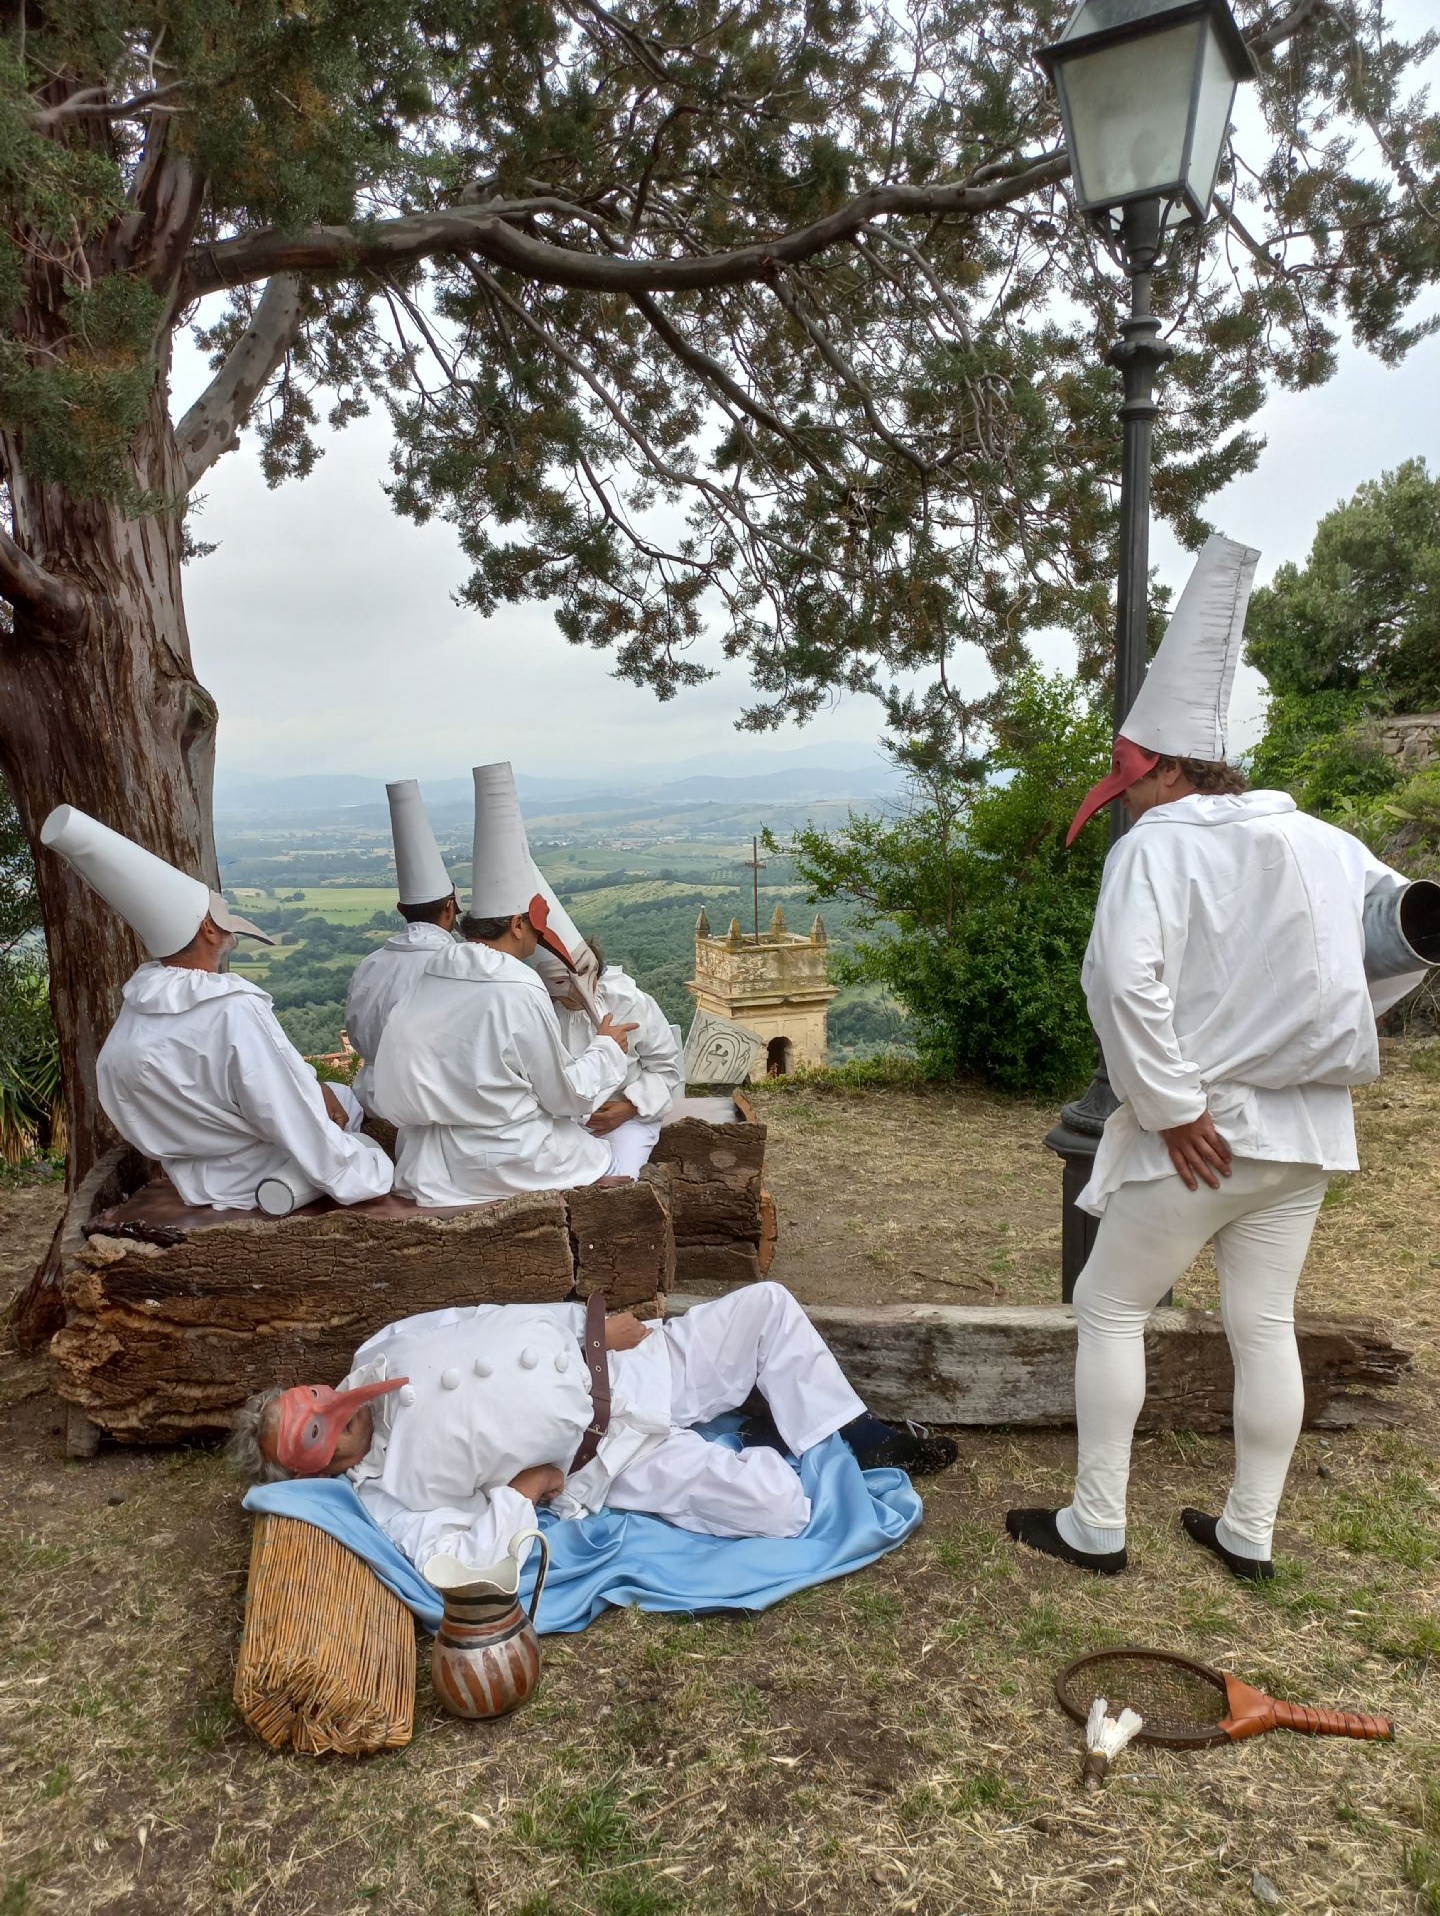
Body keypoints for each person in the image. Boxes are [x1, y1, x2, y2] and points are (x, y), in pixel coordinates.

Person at [1004, 536, 1431, 1582]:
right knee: (1264, 1322)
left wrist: (1173, 1105)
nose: (1122, 798)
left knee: (1110, 1307)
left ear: (1164, 767)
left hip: (1204, 1134)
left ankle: (1097, 1525)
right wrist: (1325, 1035)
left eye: (1127, 780)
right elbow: (1400, 940)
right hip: (1305, 1134)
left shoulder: (1155, 847)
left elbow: (1121, 985)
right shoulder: (1324, 842)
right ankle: (1250, 1531)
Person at [228, 1282, 959, 1569]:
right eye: (313, 1431)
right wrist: (523, 1492)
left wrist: (592, 1328)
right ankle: (775, 1438)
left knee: (765, 1306)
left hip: (636, 1365)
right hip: (612, 1459)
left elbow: (487, 1317)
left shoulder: (378, 1351)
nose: (331, 1408)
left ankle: (853, 1433)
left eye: (313, 1396)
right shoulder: (389, 1496)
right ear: (310, 1470)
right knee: (782, 1510)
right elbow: (458, 1562)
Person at [40, 805, 394, 1212]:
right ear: (208, 928)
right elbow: (284, 1111)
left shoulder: (135, 1012)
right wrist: (368, 1172)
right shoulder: (231, 1009)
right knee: (353, 1124)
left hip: (192, 1179)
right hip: (261, 1173)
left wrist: (314, 1090)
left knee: (335, 1095)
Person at [369, 762, 639, 1204]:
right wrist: (607, 1048)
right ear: (517, 924)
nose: (537, 940)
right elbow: (564, 1095)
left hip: (429, 1163)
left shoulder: (432, 972)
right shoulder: (518, 986)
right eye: (535, 929)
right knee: (605, 1157)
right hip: (506, 1162)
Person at [344, 780, 459, 1115]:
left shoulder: (370, 963)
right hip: (428, 1102)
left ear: (400, 909)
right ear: (450, 908)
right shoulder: (456, 964)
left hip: (369, 1099)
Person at [534, 939, 680, 1179]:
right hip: (562, 1124)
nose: (578, 989)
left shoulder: (630, 1002)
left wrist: (631, 1107)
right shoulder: (538, 1014)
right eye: (560, 981)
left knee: (620, 1180)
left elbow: (664, 1068)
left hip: (629, 1119)